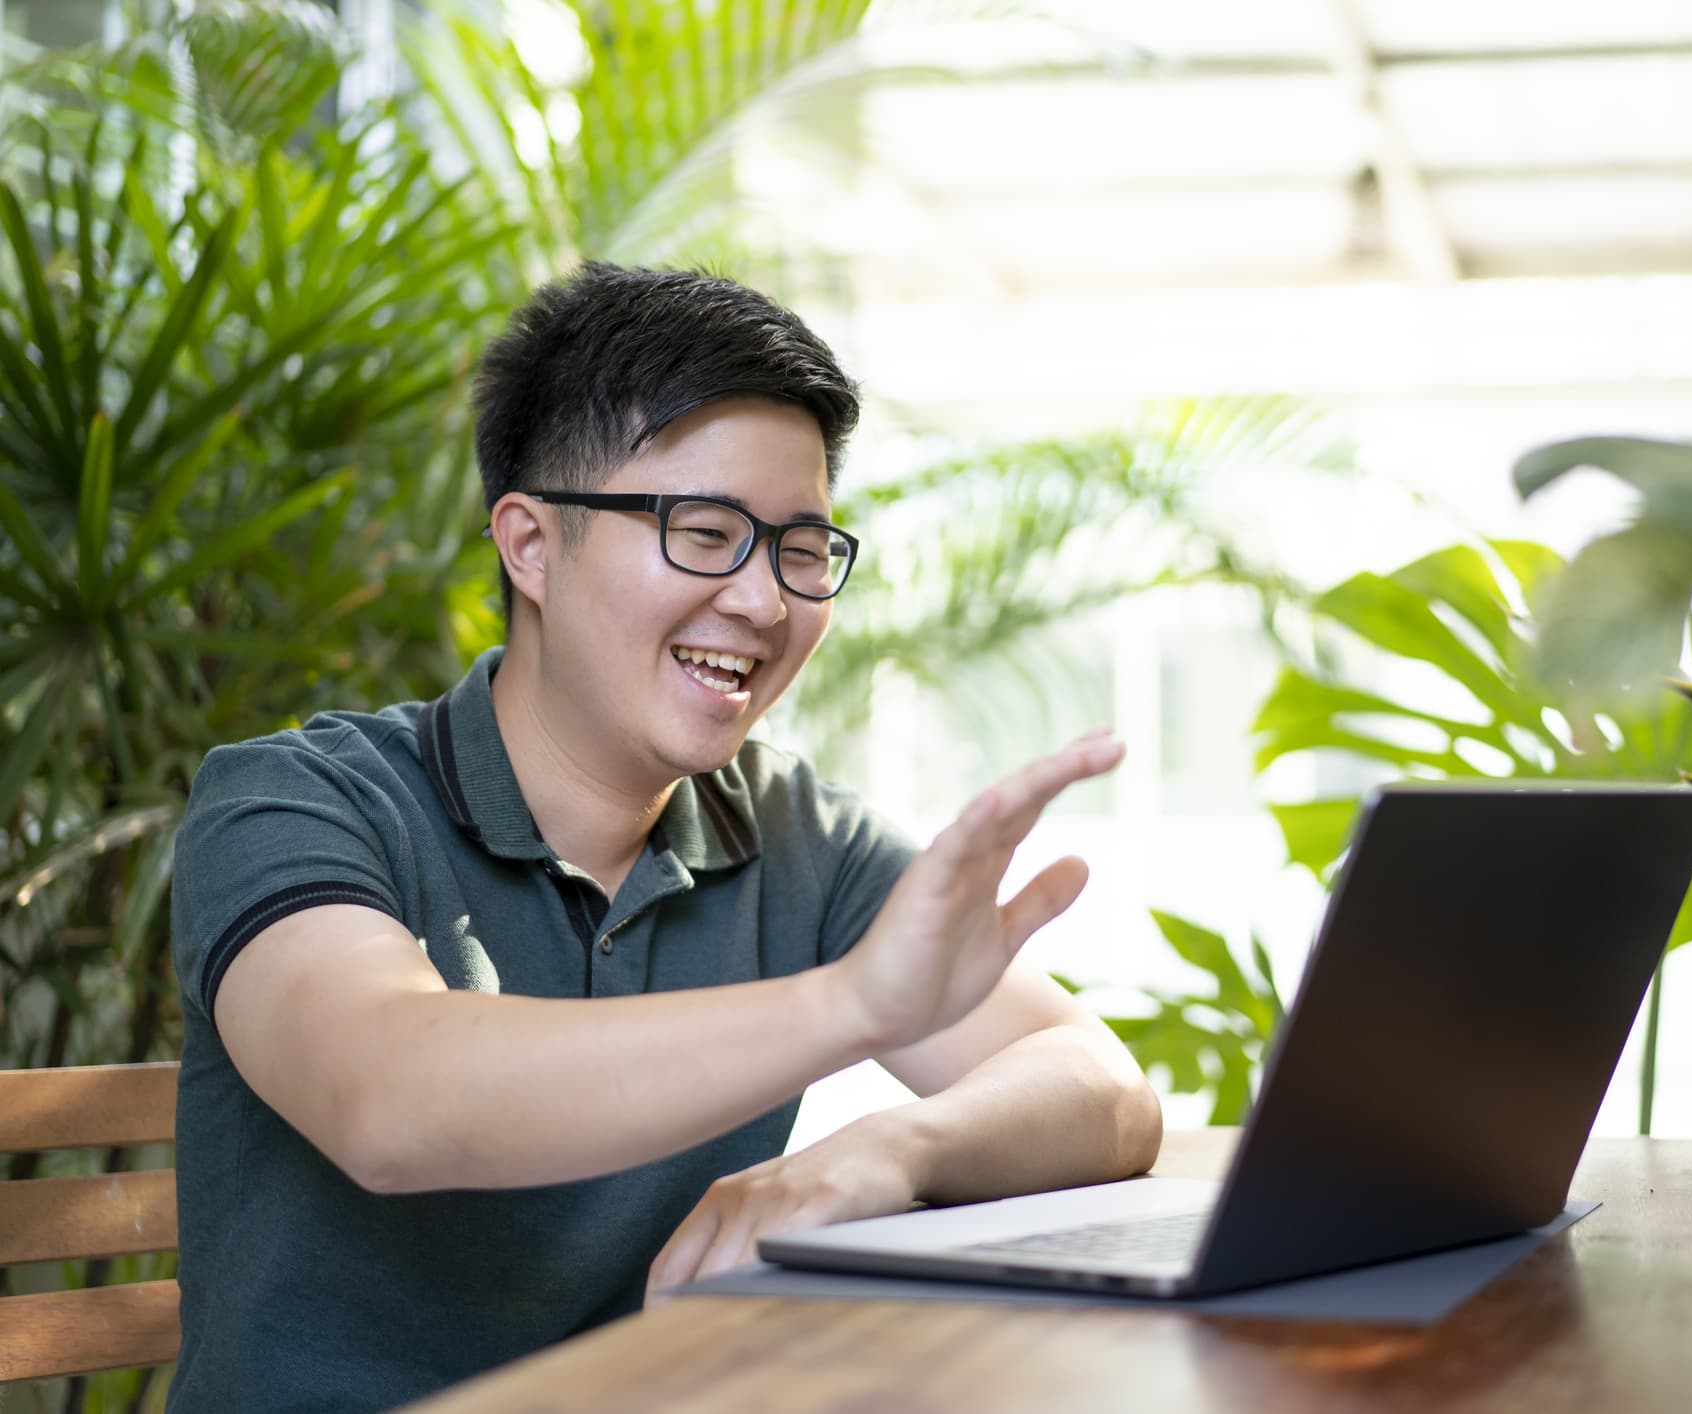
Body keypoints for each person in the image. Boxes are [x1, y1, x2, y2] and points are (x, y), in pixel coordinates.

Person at [166, 263, 1162, 1412]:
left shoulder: (795, 832)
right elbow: (389, 1100)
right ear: (531, 545)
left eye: (801, 547)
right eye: (703, 533)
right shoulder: (296, 800)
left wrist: (885, 1152)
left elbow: (1100, 1084)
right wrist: (849, 1006)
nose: (764, 602)